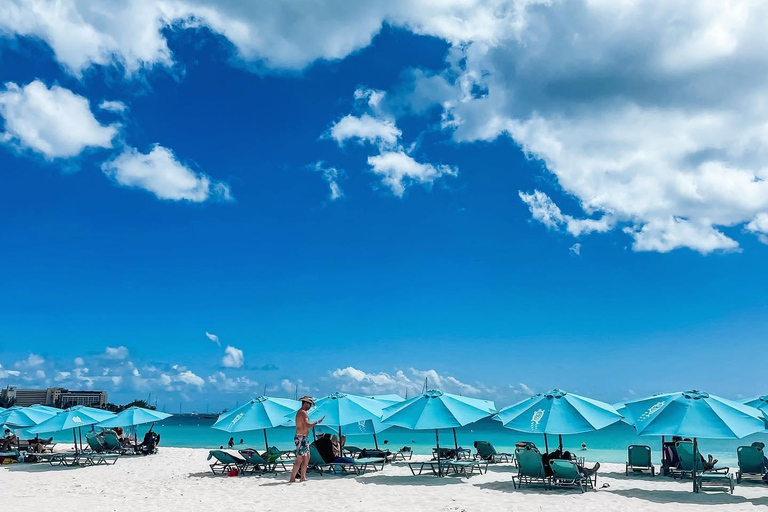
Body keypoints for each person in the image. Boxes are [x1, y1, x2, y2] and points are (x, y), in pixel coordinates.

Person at [289, 396, 324, 483]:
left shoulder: (303, 412)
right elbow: (307, 425)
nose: (310, 407)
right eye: (310, 404)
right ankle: (292, 478)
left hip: (304, 438)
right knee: (300, 459)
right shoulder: (302, 412)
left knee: (307, 457)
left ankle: (303, 477)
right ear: (306, 403)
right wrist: (317, 422)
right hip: (301, 437)